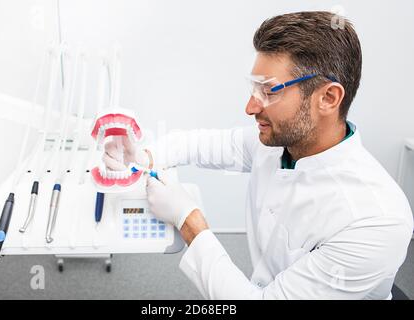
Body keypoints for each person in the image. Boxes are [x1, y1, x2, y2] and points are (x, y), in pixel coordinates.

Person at [103, 11, 413, 299]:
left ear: (328, 98)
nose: (250, 108)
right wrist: (144, 156)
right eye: (254, 88)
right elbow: (200, 144)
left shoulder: (376, 220)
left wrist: (188, 221)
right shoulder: (278, 143)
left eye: (270, 90)